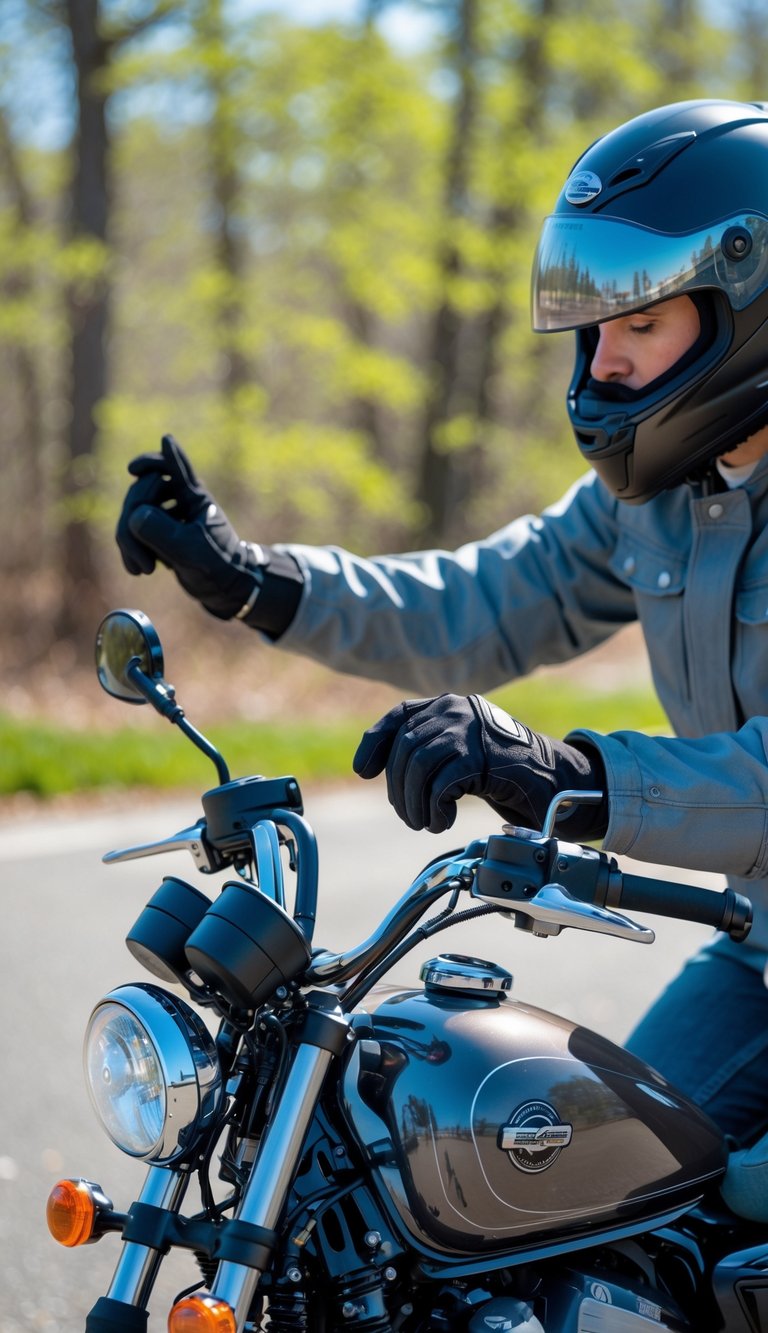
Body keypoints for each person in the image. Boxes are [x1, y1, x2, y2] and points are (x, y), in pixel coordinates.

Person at [117, 98, 768, 1152]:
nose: (600, 364)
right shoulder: (661, 498)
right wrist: (252, 581)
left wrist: (573, 778)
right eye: (593, 328)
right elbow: (472, 603)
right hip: (758, 951)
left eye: (639, 325)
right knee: (591, 1194)